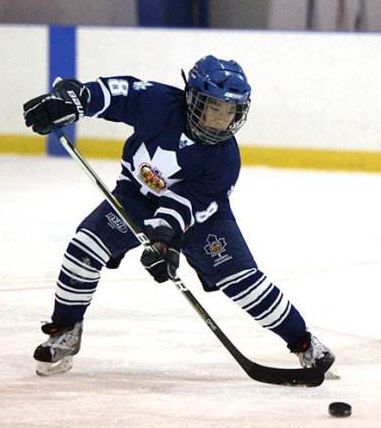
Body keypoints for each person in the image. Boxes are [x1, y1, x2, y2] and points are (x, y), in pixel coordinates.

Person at [22, 55, 335, 375]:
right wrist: (74, 101)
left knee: (242, 281)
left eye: (231, 111)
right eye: (215, 107)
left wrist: (163, 242)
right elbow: (116, 94)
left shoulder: (225, 160)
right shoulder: (158, 103)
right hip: (136, 197)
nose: (222, 119)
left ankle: (304, 343)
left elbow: (184, 205)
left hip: (202, 218)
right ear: (192, 98)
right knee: (84, 247)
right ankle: (66, 330)